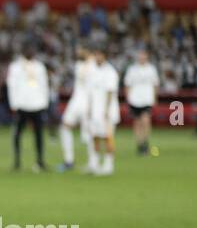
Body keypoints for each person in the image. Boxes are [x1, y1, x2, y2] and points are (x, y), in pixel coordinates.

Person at [7, 44, 49, 171]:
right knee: (18, 134)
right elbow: (11, 85)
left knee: (39, 134)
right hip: (22, 104)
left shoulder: (39, 66)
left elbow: (44, 84)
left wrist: (44, 102)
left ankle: (40, 161)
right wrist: (13, 103)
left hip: (37, 104)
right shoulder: (15, 67)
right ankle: (17, 161)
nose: (30, 52)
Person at [58, 47, 95, 172]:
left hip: (89, 102)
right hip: (76, 100)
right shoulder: (79, 64)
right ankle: (69, 161)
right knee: (65, 127)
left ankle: (92, 162)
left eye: (81, 50)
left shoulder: (96, 66)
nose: (78, 52)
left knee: (88, 135)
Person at [86, 44, 120, 176]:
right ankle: (94, 163)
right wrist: (89, 108)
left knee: (108, 137)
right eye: (96, 55)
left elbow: (110, 92)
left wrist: (106, 110)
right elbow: (90, 92)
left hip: (107, 111)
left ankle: (108, 164)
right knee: (95, 137)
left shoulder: (110, 72)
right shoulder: (92, 71)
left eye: (99, 55)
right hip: (94, 110)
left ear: (104, 57)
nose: (97, 57)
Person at [124, 48, 159, 155]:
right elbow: (127, 85)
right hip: (134, 100)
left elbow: (155, 84)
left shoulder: (151, 69)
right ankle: (139, 144)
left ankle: (145, 143)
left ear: (147, 56)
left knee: (146, 121)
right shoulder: (132, 69)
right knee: (137, 123)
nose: (142, 57)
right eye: (140, 55)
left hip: (147, 99)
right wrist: (128, 99)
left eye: (144, 55)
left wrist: (155, 98)